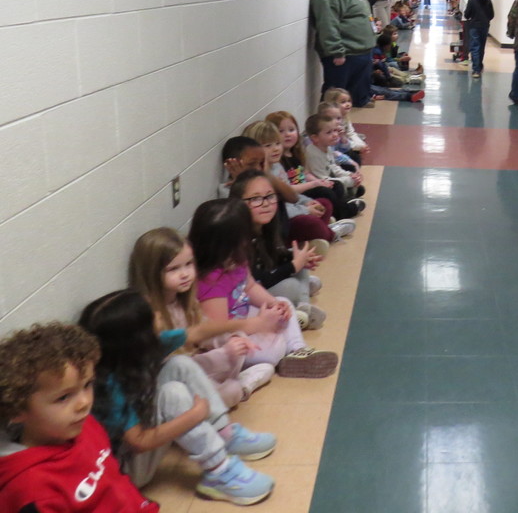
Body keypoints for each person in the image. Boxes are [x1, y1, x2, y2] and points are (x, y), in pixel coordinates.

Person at [80, 290, 277, 505]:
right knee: (172, 393)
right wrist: (194, 416)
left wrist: (248, 325)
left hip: (140, 439)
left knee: (179, 364)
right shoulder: (109, 385)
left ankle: (224, 434)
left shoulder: (140, 346)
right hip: (126, 469)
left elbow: (197, 332)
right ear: (137, 336)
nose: (158, 313)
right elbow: (138, 441)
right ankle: (218, 471)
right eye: (152, 313)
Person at [0, 322, 158, 511]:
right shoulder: (32, 489)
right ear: (17, 410)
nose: (84, 402)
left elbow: (115, 479)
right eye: (64, 397)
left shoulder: (85, 425)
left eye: (87, 385)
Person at [128, 227, 278, 408]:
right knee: (230, 390)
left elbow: (205, 329)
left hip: (200, 367)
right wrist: (223, 355)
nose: (185, 274)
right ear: (151, 272)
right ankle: (241, 388)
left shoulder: (183, 301)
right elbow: (173, 367)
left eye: (188, 264)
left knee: (238, 339)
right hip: (176, 383)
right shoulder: (151, 315)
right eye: (173, 269)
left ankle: (232, 383)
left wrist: (233, 340)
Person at [190, 198, 339, 377]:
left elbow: (250, 286)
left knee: (283, 302)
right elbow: (220, 331)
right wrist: (260, 324)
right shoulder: (210, 281)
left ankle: (298, 349)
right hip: (228, 337)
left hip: (243, 317)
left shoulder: (236, 260)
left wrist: (272, 303)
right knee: (271, 352)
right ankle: (286, 346)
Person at [229, 169, 327, 330]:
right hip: (246, 298)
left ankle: (303, 306)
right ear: (238, 203)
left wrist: (295, 259)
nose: (266, 203)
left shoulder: (267, 226)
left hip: (265, 286)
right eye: (255, 199)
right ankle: (299, 303)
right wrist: (293, 265)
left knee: (300, 266)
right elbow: (256, 281)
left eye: (270, 196)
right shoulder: (237, 236)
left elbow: (273, 258)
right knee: (291, 285)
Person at [309, 0, 377, 107]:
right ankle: (324, 130)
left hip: (360, 52)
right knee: (334, 100)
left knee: (346, 104)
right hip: (344, 55)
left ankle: (342, 130)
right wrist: (336, 51)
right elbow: (327, 21)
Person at [462, 0, 494, 78]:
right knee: (481, 47)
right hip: (484, 26)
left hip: (474, 26)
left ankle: (476, 70)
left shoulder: (472, 0)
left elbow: (467, 14)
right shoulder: (488, 0)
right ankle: (479, 65)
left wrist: (470, 17)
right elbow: (491, 14)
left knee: (475, 47)